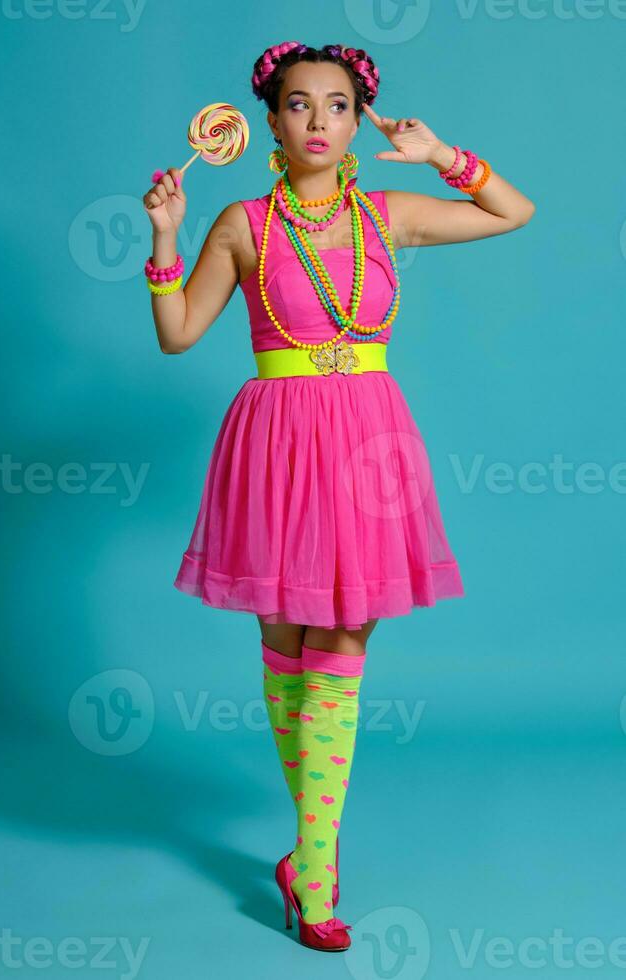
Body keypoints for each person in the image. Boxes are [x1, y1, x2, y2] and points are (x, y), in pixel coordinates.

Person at [142, 41, 535, 952]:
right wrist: (164, 237)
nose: (318, 121)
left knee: (345, 634)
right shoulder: (241, 223)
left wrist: (443, 155)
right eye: (297, 105)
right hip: (274, 441)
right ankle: (304, 854)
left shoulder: (388, 215)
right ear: (270, 121)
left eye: (337, 106)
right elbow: (177, 334)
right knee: (284, 638)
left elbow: (512, 211)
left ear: (359, 120)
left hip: (364, 440)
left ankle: (314, 868)